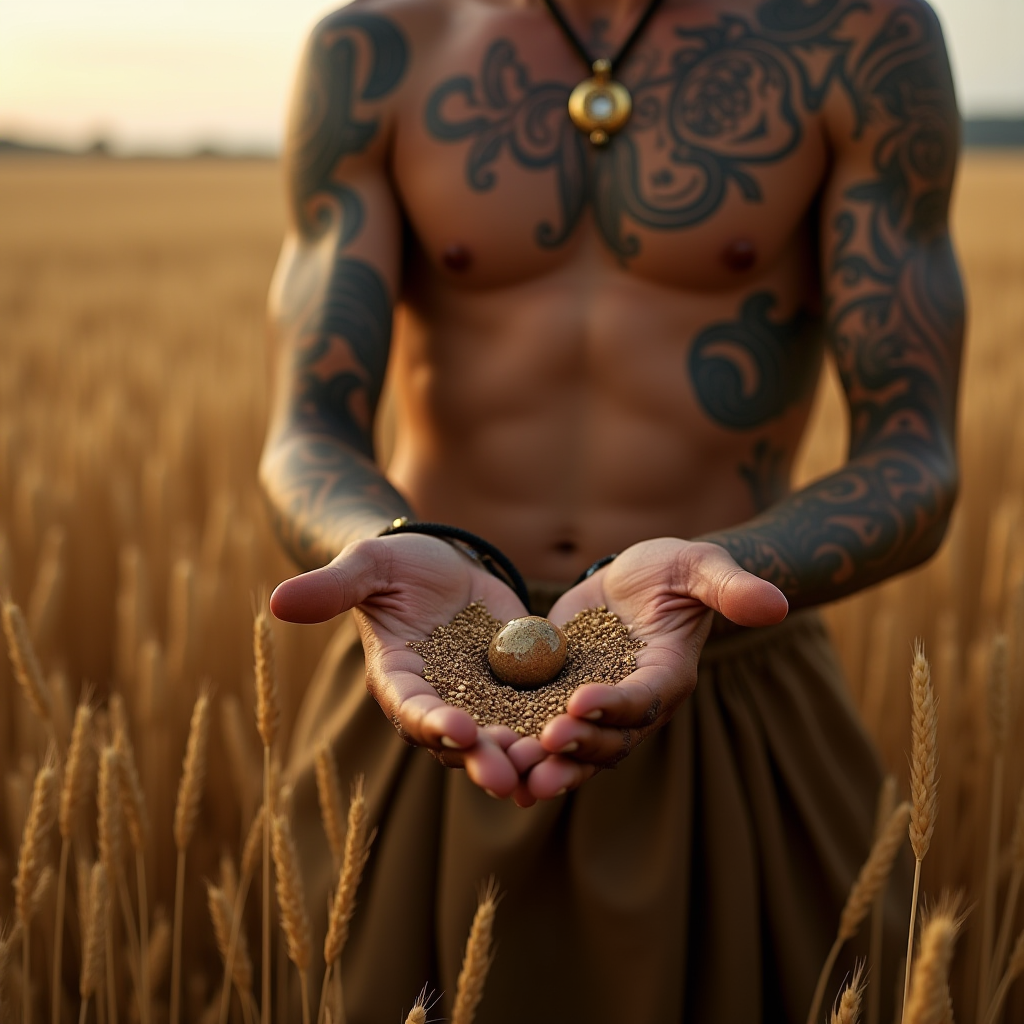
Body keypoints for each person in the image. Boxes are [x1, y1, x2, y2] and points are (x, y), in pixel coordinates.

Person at [261, 0, 964, 1016]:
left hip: (734, 691)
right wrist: (386, 551)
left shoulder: (858, 36)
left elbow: (914, 449)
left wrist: (717, 572)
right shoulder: (375, 47)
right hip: (428, 685)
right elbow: (306, 430)